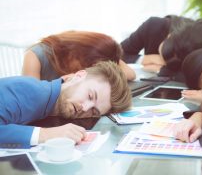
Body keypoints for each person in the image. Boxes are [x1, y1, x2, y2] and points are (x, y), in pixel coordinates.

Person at [0, 61, 131, 149]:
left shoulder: (51, 104)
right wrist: (46, 134)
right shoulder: (29, 90)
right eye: (90, 96)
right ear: (79, 76)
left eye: (94, 111)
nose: (85, 108)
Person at [121, 15, 202, 79]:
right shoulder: (155, 26)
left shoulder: (200, 46)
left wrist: (162, 70)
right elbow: (115, 54)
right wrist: (143, 59)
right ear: (171, 34)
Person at [22, 30, 136, 81]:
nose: (84, 70)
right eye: (87, 65)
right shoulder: (35, 56)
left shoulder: (97, 53)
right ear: (74, 54)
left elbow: (130, 74)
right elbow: (31, 98)